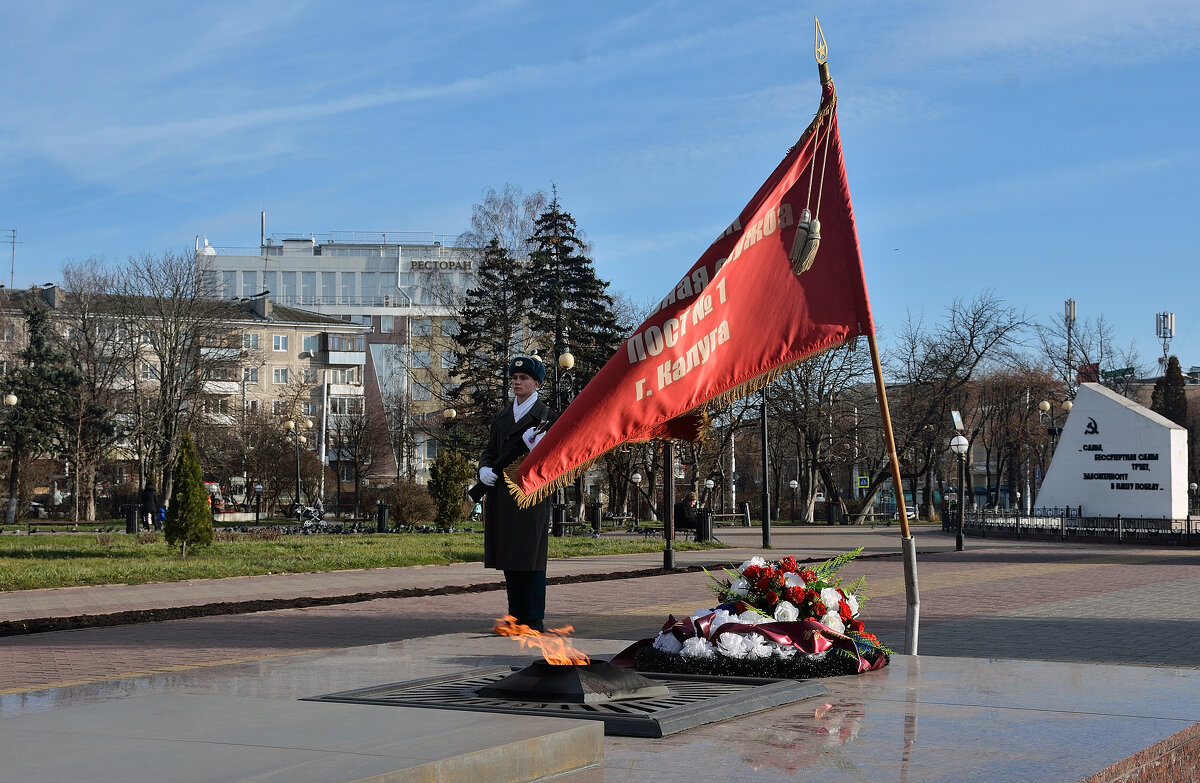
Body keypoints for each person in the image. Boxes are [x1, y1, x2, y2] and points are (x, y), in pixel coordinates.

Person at [478, 356, 555, 632]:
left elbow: (557, 459)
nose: (517, 382)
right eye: (514, 378)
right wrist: (484, 468)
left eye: (523, 378)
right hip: (503, 495)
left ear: (537, 383)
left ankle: (533, 617)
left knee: (530, 558)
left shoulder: (547, 417)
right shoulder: (502, 417)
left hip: (530, 494)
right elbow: (490, 451)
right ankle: (515, 617)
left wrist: (539, 451)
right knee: (511, 558)